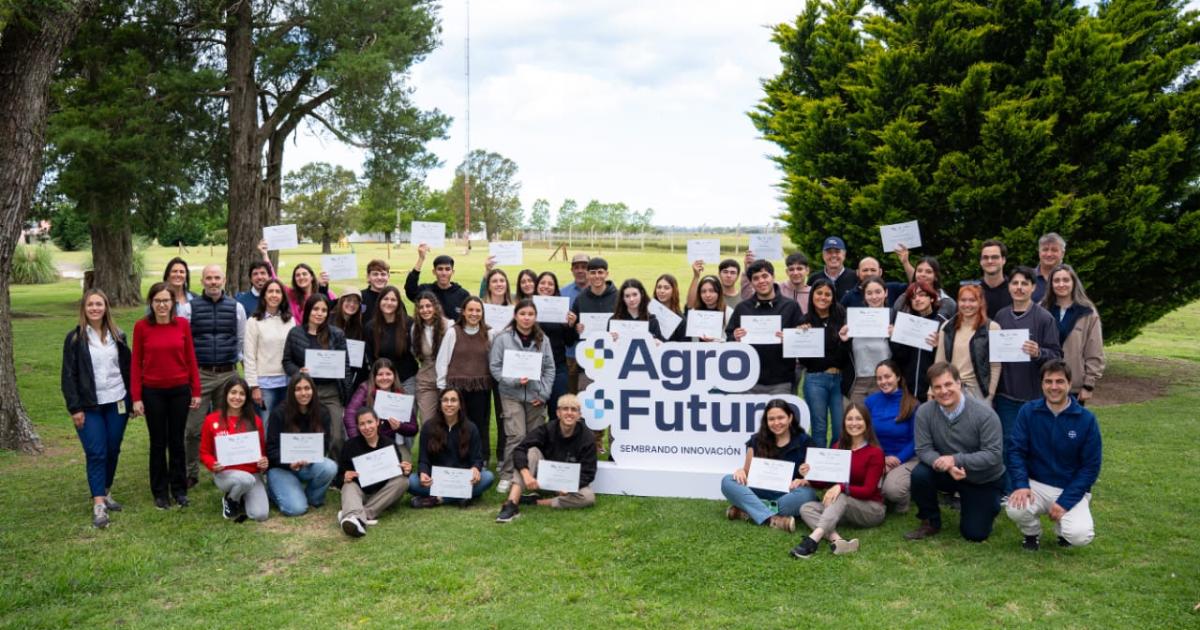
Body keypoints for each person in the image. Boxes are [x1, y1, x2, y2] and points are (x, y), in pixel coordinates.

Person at [1005, 361, 1102, 550]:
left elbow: (1090, 468)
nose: (1054, 387)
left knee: (1080, 536)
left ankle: (1063, 530)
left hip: (1069, 486)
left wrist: (1065, 501)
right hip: (1037, 484)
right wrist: (1021, 485)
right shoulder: (1028, 411)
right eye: (1048, 382)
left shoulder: (1086, 419)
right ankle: (1031, 533)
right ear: (1042, 384)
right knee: (1015, 508)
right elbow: (1016, 451)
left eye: (1059, 381)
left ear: (1069, 383)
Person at [905, 362, 1005, 543]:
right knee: (920, 474)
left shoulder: (985, 414)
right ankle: (930, 521)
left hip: (981, 478)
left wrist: (955, 459)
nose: (944, 391)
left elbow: (993, 454)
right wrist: (945, 464)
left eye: (948, 384)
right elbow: (923, 449)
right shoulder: (925, 412)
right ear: (932, 390)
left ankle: (989, 504)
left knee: (975, 534)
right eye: (937, 387)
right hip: (948, 472)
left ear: (959, 383)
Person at [61, 289, 132, 528]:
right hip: (89, 406)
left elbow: (127, 369)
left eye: (99, 304)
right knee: (96, 452)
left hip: (117, 401)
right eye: (90, 304)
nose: (94, 308)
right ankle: (98, 504)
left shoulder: (118, 335)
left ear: (106, 307)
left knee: (113, 449)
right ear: (84, 308)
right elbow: (68, 377)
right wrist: (75, 408)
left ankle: (106, 491)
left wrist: (132, 400)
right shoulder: (75, 339)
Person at [993, 266, 1062, 494]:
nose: (1019, 288)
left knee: (1033, 446)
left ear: (1033, 287)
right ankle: (1010, 491)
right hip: (1005, 395)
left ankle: (1039, 489)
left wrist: (1038, 352)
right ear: (1009, 287)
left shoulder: (1044, 318)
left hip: (1033, 396)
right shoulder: (1002, 316)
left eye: (1025, 283)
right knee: (1008, 445)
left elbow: (1056, 356)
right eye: (1015, 283)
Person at [132, 283, 201, 509]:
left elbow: (191, 359)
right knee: (158, 443)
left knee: (177, 441)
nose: (162, 305)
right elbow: (135, 364)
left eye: (166, 301)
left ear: (173, 303)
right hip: (153, 393)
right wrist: (136, 397)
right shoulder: (141, 327)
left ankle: (179, 489)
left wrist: (196, 390)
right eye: (157, 301)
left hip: (179, 391)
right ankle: (160, 492)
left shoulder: (182, 325)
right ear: (151, 303)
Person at [791, 403, 886, 557]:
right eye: (849, 419)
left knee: (842, 495)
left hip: (872, 509)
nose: (854, 423)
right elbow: (826, 481)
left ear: (867, 423)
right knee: (806, 508)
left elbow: (869, 491)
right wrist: (810, 475)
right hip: (842, 508)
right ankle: (839, 540)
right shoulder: (838, 447)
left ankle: (812, 540)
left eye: (858, 419)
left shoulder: (875, 453)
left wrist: (842, 488)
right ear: (844, 423)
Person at [185, 264, 248, 487]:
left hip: (227, 374)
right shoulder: (190, 308)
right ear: (202, 281)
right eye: (208, 278)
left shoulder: (236, 308)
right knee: (193, 429)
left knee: (227, 426)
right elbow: (186, 342)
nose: (213, 282)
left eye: (217, 278)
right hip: (201, 375)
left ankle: (227, 467)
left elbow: (241, 339)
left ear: (224, 280)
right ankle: (191, 471)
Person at [495, 394, 598, 522]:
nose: (569, 413)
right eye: (565, 409)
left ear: (579, 415)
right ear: (558, 413)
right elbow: (520, 449)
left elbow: (589, 471)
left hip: (567, 483)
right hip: (542, 478)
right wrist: (526, 473)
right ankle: (511, 503)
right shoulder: (547, 429)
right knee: (532, 451)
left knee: (588, 497)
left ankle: (537, 501)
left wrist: (571, 486)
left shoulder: (587, 437)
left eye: (574, 409)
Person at [490, 299, 556, 494]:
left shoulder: (543, 339)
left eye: (530, 314)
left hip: (535, 396)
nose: (526, 318)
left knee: (534, 437)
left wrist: (543, 394)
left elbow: (549, 368)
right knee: (516, 435)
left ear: (535, 317)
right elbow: (495, 366)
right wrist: (513, 380)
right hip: (511, 395)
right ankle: (508, 474)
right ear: (515, 316)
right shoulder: (503, 338)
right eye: (522, 314)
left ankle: (531, 474)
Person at [719, 399, 816, 532]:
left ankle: (747, 511)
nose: (776, 423)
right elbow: (746, 473)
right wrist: (741, 471)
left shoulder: (805, 441)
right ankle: (773, 519)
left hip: (787, 496)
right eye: (771, 419)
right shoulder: (756, 440)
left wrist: (805, 480)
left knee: (808, 494)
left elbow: (814, 478)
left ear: (790, 418)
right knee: (727, 481)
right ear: (766, 421)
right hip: (759, 491)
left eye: (781, 417)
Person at [282, 294, 350, 459]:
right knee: (305, 431)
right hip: (304, 391)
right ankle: (304, 465)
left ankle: (335, 472)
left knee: (337, 435)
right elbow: (287, 361)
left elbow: (345, 365)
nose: (319, 313)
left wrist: (346, 394)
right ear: (308, 311)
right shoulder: (295, 333)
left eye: (324, 310)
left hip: (331, 391)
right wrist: (299, 372)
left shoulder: (337, 334)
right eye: (316, 309)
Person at [726, 259, 804, 395]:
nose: (761, 281)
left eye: (765, 276)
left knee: (779, 416)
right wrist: (735, 337)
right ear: (751, 283)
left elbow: (803, 339)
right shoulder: (742, 308)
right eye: (756, 278)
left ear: (773, 277)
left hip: (781, 381)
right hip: (748, 381)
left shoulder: (790, 306)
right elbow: (729, 337)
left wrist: (791, 338)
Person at [435, 297, 497, 464]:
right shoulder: (453, 332)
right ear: (463, 311)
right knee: (457, 423)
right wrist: (442, 387)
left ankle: (481, 458)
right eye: (470, 310)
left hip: (480, 387)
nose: (474, 314)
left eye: (478, 310)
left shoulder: (489, 333)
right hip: (457, 387)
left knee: (480, 424)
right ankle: (456, 457)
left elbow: (494, 359)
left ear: (482, 313)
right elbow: (443, 360)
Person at [409, 387, 496, 507]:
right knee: (410, 482)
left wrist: (476, 468)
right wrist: (423, 473)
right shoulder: (428, 427)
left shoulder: (471, 428)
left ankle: (437, 499)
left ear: (460, 404)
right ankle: (462, 496)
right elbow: (423, 460)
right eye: (445, 400)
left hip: (461, 479)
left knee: (488, 477)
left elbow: (477, 459)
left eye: (453, 400)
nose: (449, 404)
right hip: (437, 480)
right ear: (440, 404)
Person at [265, 374, 338, 516]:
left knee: (330, 467)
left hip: (307, 465)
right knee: (296, 509)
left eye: (307, 388)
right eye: (298, 389)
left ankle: (313, 497)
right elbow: (271, 450)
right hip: (281, 468)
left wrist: (311, 457)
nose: (303, 393)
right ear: (291, 392)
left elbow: (324, 445)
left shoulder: (322, 412)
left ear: (313, 390)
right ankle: (274, 490)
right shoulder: (279, 413)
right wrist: (289, 463)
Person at [199, 378, 268, 522]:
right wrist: (212, 464)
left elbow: (261, 452)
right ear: (226, 394)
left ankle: (241, 495)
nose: (237, 397)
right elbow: (204, 452)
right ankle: (231, 499)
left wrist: (263, 461)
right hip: (225, 473)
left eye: (242, 394)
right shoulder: (212, 420)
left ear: (246, 397)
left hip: (252, 473)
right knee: (244, 480)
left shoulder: (256, 421)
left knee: (260, 515)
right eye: (233, 392)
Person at [336, 408, 412, 537]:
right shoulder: (350, 446)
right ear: (358, 427)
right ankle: (357, 517)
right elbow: (339, 478)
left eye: (370, 422)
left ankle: (355, 515)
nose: (367, 427)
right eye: (362, 424)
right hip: (360, 493)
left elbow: (396, 473)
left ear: (377, 422)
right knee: (348, 486)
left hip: (383, 494)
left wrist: (405, 470)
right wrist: (345, 477)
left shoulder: (389, 444)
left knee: (403, 481)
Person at [795, 278, 850, 446]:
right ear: (812, 296)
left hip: (839, 380)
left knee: (840, 428)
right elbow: (806, 361)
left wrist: (844, 341)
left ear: (833, 297)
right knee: (819, 428)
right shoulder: (804, 321)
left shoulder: (842, 316)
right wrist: (801, 337)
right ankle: (818, 467)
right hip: (815, 380)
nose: (823, 297)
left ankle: (835, 463)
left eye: (828, 294)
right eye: (819, 293)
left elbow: (845, 353)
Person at [1041, 265, 1105, 404]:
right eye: (1056, 281)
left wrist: (1089, 384)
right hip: (1044, 385)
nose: (1061, 284)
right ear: (1051, 284)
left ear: (1074, 283)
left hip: (1073, 385)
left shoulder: (1087, 312)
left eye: (1066, 280)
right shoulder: (1042, 309)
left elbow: (1094, 350)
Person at [866, 360, 919, 513]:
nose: (883, 382)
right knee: (867, 487)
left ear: (898, 377)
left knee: (892, 490)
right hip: (879, 457)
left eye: (887, 377)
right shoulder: (871, 401)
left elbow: (916, 440)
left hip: (906, 458)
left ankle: (903, 499)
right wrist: (882, 458)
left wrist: (897, 460)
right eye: (879, 378)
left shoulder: (912, 404)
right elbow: (867, 434)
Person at [934, 284, 1000, 401]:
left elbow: (995, 365)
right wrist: (932, 390)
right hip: (950, 390)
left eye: (972, 300)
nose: (967, 305)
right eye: (963, 300)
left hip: (979, 393)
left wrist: (990, 394)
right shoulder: (947, 326)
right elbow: (940, 361)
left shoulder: (992, 328)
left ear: (980, 303)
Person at [244, 278, 295, 423]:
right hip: (265, 386)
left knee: (285, 426)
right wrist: (254, 386)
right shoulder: (253, 322)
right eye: (270, 291)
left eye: (278, 292)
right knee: (266, 427)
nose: (274, 295)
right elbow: (249, 356)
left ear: (282, 296)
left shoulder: (289, 321)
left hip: (287, 383)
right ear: (264, 295)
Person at [889, 281, 948, 403]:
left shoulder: (943, 323)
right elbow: (900, 357)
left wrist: (939, 345)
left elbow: (949, 359)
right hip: (907, 392)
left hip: (934, 390)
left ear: (932, 298)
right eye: (913, 297)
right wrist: (894, 338)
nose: (917, 299)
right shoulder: (905, 323)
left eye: (921, 295)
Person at [838, 276, 894, 405]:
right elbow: (842, 357)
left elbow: (902, 354)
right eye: (869, 293)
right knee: (856, 422)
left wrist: (894, 337)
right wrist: (844, 341)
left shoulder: (893, 317)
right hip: (857, 382)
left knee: (880, 424)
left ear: (885, 293)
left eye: (878, 292)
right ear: (864, 296)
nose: (874, 297)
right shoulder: (853, 319)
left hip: (884, 382)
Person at [343, 358, 419, 443]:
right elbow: (350, 413)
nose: (384, 378)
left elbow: (414, 428)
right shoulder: (365, 388)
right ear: (374, 376)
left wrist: (400, 426)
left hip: (389, 442)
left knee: (404, 454)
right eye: (380, 374)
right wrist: (357, 441)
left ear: (394, 376)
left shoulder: (400, 394)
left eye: (388, 374)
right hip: (364, 439)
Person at [364, 286, 419, 399]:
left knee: (407, 416)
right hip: (382, 381)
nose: (389, 303)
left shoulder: (409, 324)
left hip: (407, 380)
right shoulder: (371, 327)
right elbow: (369, 357)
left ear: (399, 303)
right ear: (379, 302)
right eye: (385, 299)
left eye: (393, 300)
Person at [535, 272, 577, 413]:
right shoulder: (528, 308)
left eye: (550, 284)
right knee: (535, 414)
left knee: (557, 412)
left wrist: (570, 326)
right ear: (537, 286)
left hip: (558, 367)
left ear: (555, 288)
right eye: (542, 283)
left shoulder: (562, 310)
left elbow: (570, 342)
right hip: (533, 368)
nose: (546, 286)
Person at [411, 292, 452, 427]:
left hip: (448, 381)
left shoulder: (449, 326)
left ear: (435, 307)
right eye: (421, 307)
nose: (425, 310)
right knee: (428, 424)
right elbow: (415, 353)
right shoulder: (415, 329)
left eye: (428, 306)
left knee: (448, 422)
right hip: (426, 382)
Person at [405, 243, 470, 319]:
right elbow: (410, 290)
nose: (444, 273)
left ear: (452, 272)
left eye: (447, 269)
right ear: (434, 272)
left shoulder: (462, 295)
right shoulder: (426, 291)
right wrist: (421, 259)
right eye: (440, 269)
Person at [560, 253, 591, 395]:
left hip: (595, 353)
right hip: (571, 352)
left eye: (584, 267)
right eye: (576, 267)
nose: (580, 270)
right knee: (570, 394)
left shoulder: (598, 292)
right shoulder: (562, 293)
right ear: (571, 270)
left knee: (590, 395)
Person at [740, 252, 812, 309]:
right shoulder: (775, 288)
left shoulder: (812, 293)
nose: (795, 273)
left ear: (807, 270)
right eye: (791, 269)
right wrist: (747, 271)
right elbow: (747, 296)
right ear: (787, 272)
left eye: (799, 269)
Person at [897, 256, 957, 320]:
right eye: (919, 271)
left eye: (928, 272)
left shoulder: (948, 303)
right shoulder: (903, 298)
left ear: (936, 277)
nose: (923, 274)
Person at [964, 239, 1012, 319]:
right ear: (980, 261)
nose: (990, 261)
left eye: (994, 257)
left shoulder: (1014, 290)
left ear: (1003, 260)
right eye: (985, 257)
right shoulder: (971, 290)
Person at [332, 289, 367, 389]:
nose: (352, 304)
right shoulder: (329, 320)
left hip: (348, 375)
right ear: (341, 301)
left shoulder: (359, 327)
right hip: (329, 372)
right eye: (348, 300)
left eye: (356, 302)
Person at [840, 257, 906, 308]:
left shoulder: (893, 288)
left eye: (873, 270)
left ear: (880, 272)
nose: (869, 273)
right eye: (865, 270)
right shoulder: (849, 296)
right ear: (857, 272)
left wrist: (906, 263)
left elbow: (914, 286)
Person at [685, 274, 733, 342]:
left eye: (712, 291)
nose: (707, 295)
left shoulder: (728, 312)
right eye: (703, 291)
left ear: (719, 292)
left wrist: (715, 340)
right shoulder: (695, 312)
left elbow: (733, 340)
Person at [807, 236, 857, 301]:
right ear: (823, 255)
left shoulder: (855, 277)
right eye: (829, 252)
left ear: (844, 254)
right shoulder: (814, 279)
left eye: (837, 252)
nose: (833, 255)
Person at [233, 240, 275, 316]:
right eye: (255, 274)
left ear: (269, 277)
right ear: (250, 279)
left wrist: (265, 254)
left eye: (263, 273)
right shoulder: (241, 302)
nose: (259, 277)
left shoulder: (277, 299)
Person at [1032, 232, 1067, 303]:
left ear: (1062, 254)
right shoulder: (1028, 278)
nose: (1049, 254)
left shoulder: (1070, 279)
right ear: (1039, 252)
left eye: (1054, 250)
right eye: (1045, 249)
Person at [652, 273, 687, 341]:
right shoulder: (647, 312)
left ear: (674, 291)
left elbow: (683, 346)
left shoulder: (680, 319)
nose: (662, 291)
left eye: (666, 288)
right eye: (659, 287)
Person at [361, 259, 391, 323]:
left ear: (388, 277)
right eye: (375, 274)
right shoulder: (360, 297)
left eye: (383, 274)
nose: (379, 277)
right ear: (368, 277)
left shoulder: (393, 299)